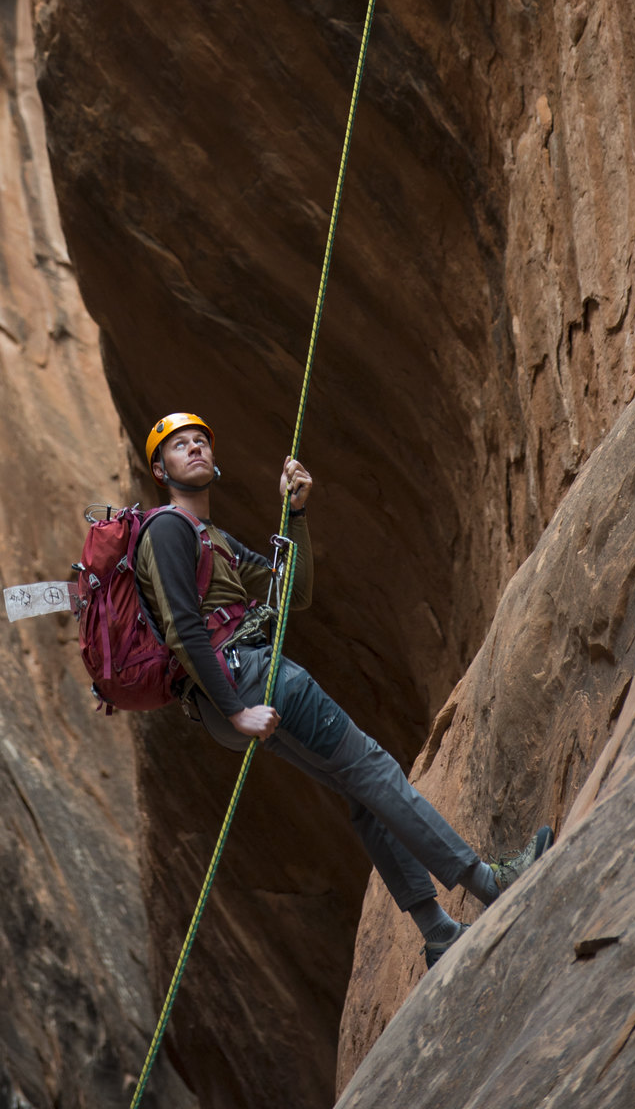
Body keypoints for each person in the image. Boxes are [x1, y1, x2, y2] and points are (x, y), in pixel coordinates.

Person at [133, 410, 553, 970]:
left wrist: (297, 513)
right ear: (160, 472)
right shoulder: (167, 528)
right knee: (374, 768)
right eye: (178, 446)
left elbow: (294, 594)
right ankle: (490, 881)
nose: (193, 449)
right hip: (252, 679)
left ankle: (438, 932)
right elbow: (184, 628)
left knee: (362, 793)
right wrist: (236, 711)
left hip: (246, 682)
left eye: (200, 441)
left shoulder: (216, 539)